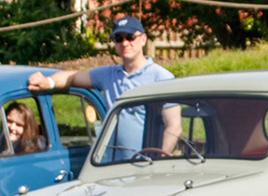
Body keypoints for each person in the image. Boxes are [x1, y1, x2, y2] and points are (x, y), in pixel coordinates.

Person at [29, 14, 177, 157]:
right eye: (119, 39)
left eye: (130, 37)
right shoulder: (108, 75)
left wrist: (157, 162)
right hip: (112, 167)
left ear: (143, 39)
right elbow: (72, 77)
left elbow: (174, 127)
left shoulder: (162, 77)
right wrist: (47, 82)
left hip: (145, 167)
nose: (125, 43)